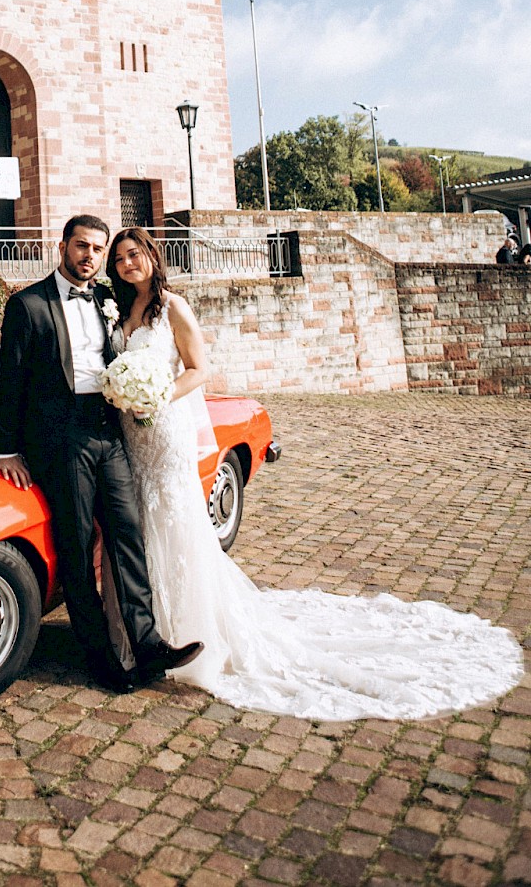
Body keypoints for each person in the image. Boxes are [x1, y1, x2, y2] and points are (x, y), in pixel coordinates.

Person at [105, 225, 524, 721]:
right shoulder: (118, 311)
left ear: (152, 257)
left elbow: (198, 368)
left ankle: (186, 629)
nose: (127, 263)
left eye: (134, 254)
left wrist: (158, 396)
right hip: (132, 434)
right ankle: (140, 632)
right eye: (120, 258)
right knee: (139, 527)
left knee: (173, 520)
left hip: (165, 426)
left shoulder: (173, 307)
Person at [0, 214, 203, 692]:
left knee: (128, 536)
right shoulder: (27, 305)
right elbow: (12, 382)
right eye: (82, 246)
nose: (91, 257)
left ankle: (147, 646)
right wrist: (5, 450)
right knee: (78, 545)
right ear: (63, 246)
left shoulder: (110, 299)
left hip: (110, 431)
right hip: (61, 439)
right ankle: (101, 656)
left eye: (98, 249)